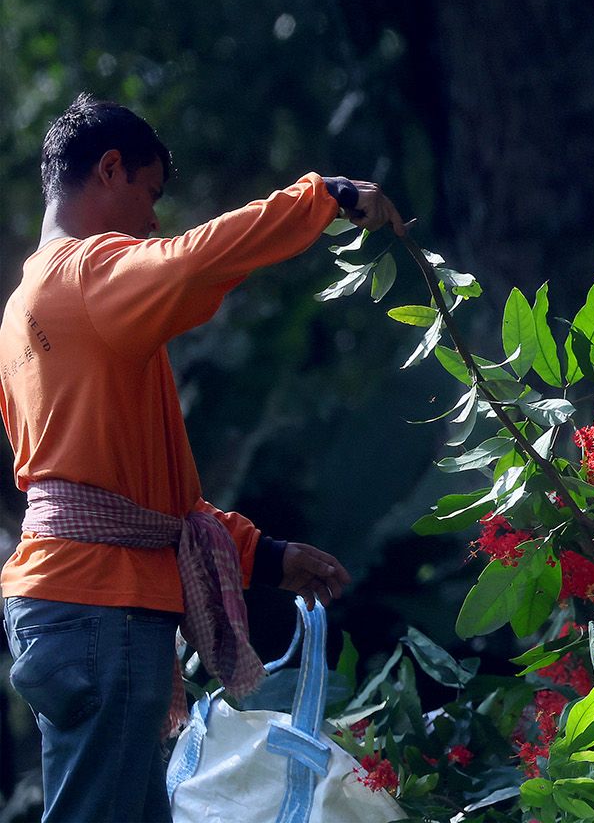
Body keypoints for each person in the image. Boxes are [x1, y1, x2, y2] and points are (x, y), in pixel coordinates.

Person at [0, 94, 406, 822]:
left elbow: (121, 492)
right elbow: (193, 262)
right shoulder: (85, 275)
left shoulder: (22, 308)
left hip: (60, 601)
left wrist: (263, 555)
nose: (154, 220)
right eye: (150, 193)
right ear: (110, 169)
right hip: (98, 607)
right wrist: (323, 196)